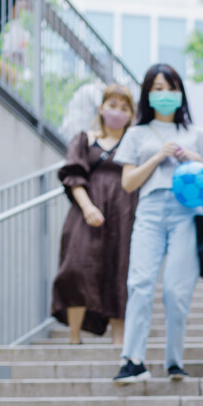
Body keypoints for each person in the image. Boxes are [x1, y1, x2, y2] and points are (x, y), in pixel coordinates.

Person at [114, 64, 203, 383]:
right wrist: (157, 157)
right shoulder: (136, 133)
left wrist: (193, 158)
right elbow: (128, 183)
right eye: (156, 88)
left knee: (176, 289)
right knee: (140, 283)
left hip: (187, 212)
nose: (164, 94)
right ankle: (133, 359)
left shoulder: (196, 133)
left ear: (180, 92)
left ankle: (174, 361)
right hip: (151, 208)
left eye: (169, 87)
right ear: (147, 94)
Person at [52, 82, 138, 345]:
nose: (118, 112)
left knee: (119, 269)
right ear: (101, 108)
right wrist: (88, 207)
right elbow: (73, 174)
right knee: (77, 266)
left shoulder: (134, 144)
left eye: (124, 108)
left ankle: (119, 340)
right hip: (85, 213)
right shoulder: (85, 139)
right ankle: (74, 338)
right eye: (113, 105)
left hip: (123, 215)